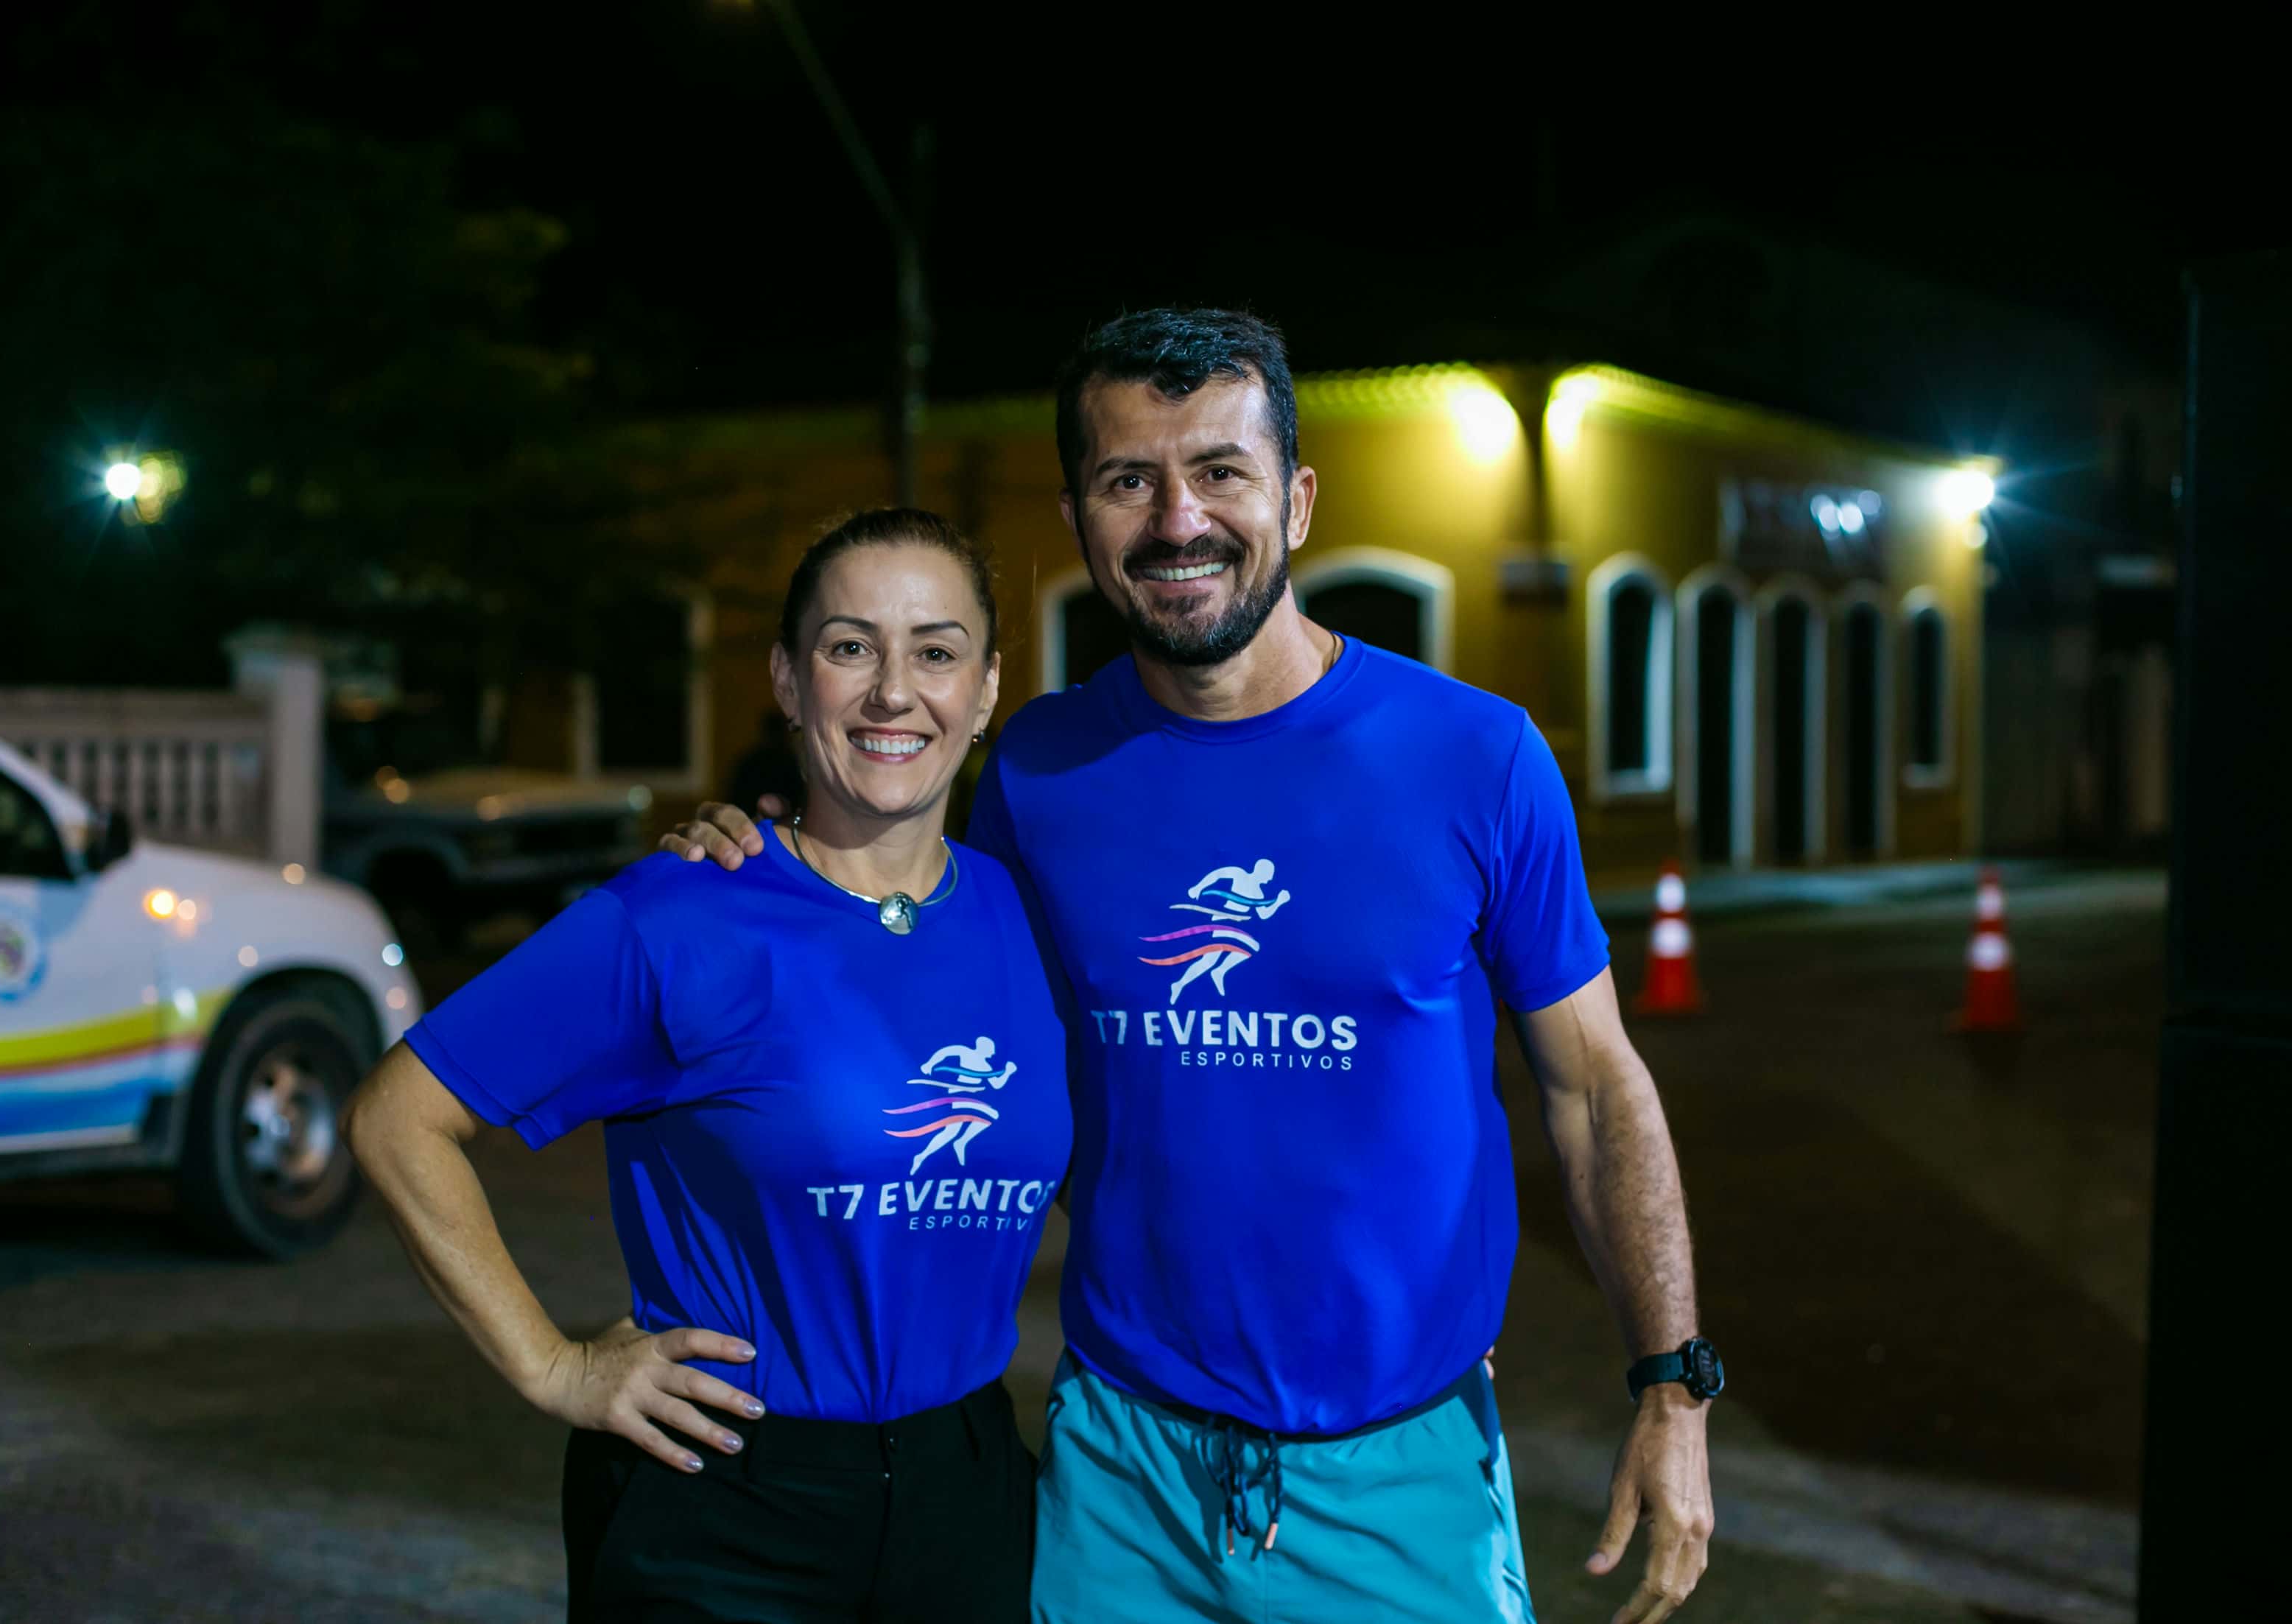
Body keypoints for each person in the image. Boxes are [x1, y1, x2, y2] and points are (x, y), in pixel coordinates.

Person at [669, 309, 1718, 1624]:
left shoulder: (1478, 757)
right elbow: (909, 977)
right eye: (1130, 480)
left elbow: (1595, 1087)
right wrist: (750, 869)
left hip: (1398, 1479)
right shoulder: (1037, 770)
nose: (1179, 519)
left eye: (1221, 471)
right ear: (1080, 518)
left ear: (1298, 499)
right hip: (1122, 1481)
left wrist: (1673, 1384)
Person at [344, 509, 1071, 1623]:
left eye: (936, 651)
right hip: (723, 1498)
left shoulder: (1031, 918)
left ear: (985, 692)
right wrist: (553, 1366)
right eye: (849, 647)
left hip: (966, 1490)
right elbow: (397, 1118)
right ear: (787, 680)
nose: (894, 691)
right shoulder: (681, 914)